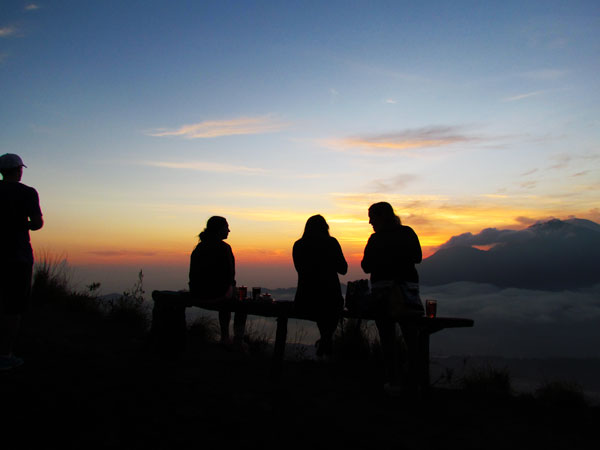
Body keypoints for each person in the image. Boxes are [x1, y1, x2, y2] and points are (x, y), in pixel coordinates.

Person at [361, 202, 423, 391]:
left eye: (372, 217)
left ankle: (394, 381)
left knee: (388, 339)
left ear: (381, 217)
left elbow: (366, 266)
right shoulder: (408, 233)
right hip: (408, 293)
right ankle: (415, 382)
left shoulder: (375, 239)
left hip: (383, 296)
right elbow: (418, 257)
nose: (369, 221)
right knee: (412, 338)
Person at [0, 154, 43, 371]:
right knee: (13, 308)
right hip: (18, 257)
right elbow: (37, 224)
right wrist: (20, 223)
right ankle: (5, 355)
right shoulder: (27, 193)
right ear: (19, 170)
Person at [188, 216, 247, 351]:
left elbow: (192, 274)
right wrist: (232, 290)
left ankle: (226, 337)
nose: (229, 230)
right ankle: (233, 339)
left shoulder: (199, 247)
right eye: (226, 227)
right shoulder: (224, 248)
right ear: (219, 229)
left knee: (227, 293)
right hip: (215, 294)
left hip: (196, 293)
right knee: (241, 303)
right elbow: (230, 275)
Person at [293, 215, 348, 357]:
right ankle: (325, 343)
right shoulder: (331, 243)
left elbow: (300, 270)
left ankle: (324, 343)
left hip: (304, 300)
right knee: (330, 313)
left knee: (324, 318)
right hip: (330, 299)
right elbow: (343, 269)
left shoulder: (298, 245)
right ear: (325, 228)